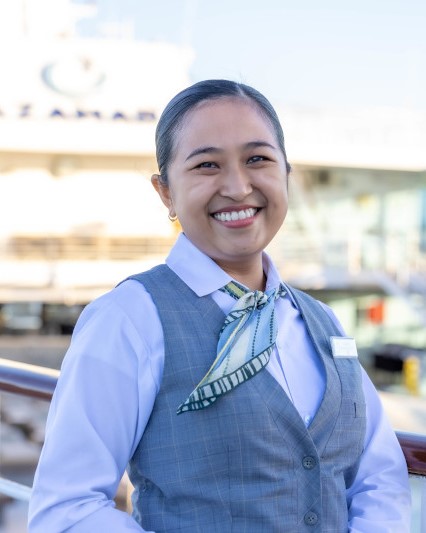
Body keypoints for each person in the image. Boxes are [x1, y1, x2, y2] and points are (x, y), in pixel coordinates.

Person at [28, 79, 411, 532]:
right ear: (166, 192)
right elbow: (65, 510)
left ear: (287, 173)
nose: (237, 186)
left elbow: (378, 475)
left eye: (258, 159)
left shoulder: (323, 321)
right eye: (207, 165)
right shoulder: (128, 319)